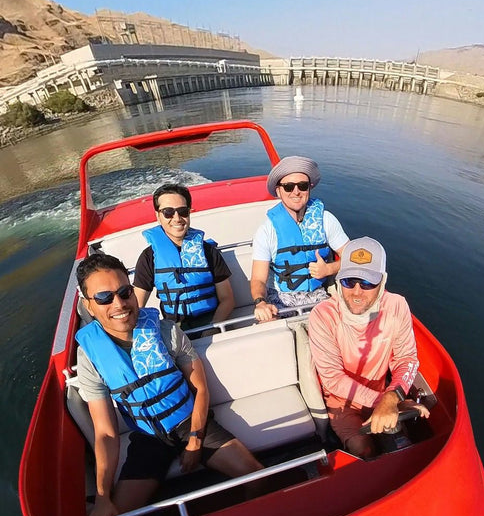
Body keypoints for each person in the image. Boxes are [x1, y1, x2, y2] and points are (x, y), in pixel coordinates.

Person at [75, 252, 262, 516]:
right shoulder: (90, 356)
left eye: (125, 292)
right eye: (104, 298)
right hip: (148, 439)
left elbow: (200, 388)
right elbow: (106, 433)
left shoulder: (166, 331)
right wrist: (102, 498)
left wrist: (196, 441)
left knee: (258, 477)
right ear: (88, 304)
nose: (119, 304)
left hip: (190, 422)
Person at [308, 237, 429, 459]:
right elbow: (333, 378)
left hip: (385, 397)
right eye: (348, 281)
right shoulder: (322, 316)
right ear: (338, 280)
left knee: (404, 449)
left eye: (367, 283)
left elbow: (407, 359)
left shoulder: (397, 305)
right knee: (364, 451)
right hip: (342, 405)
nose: (356, 291)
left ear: (382, 282)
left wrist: (392, 398)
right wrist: (386, 401)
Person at [250, 156, 349, 322]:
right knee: (270, 329)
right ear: (278, 190)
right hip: (281, 298)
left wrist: (330, 269)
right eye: (288, 187)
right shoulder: (267, 231)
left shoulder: (326, 220)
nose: (296, 192)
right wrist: (260, 303)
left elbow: (353, 257)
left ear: (309, 188)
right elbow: (258, 279)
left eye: (302, 186)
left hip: (319, 296)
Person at [133, 183, 235, 329]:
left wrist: (212, 327)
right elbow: (137, 306)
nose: (177, 218)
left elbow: (228, 299)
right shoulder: (149, 257)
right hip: (174, 329)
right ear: (158, 215)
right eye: (168, 212)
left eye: (183, 211)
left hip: (212, 323)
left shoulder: (208, 251)